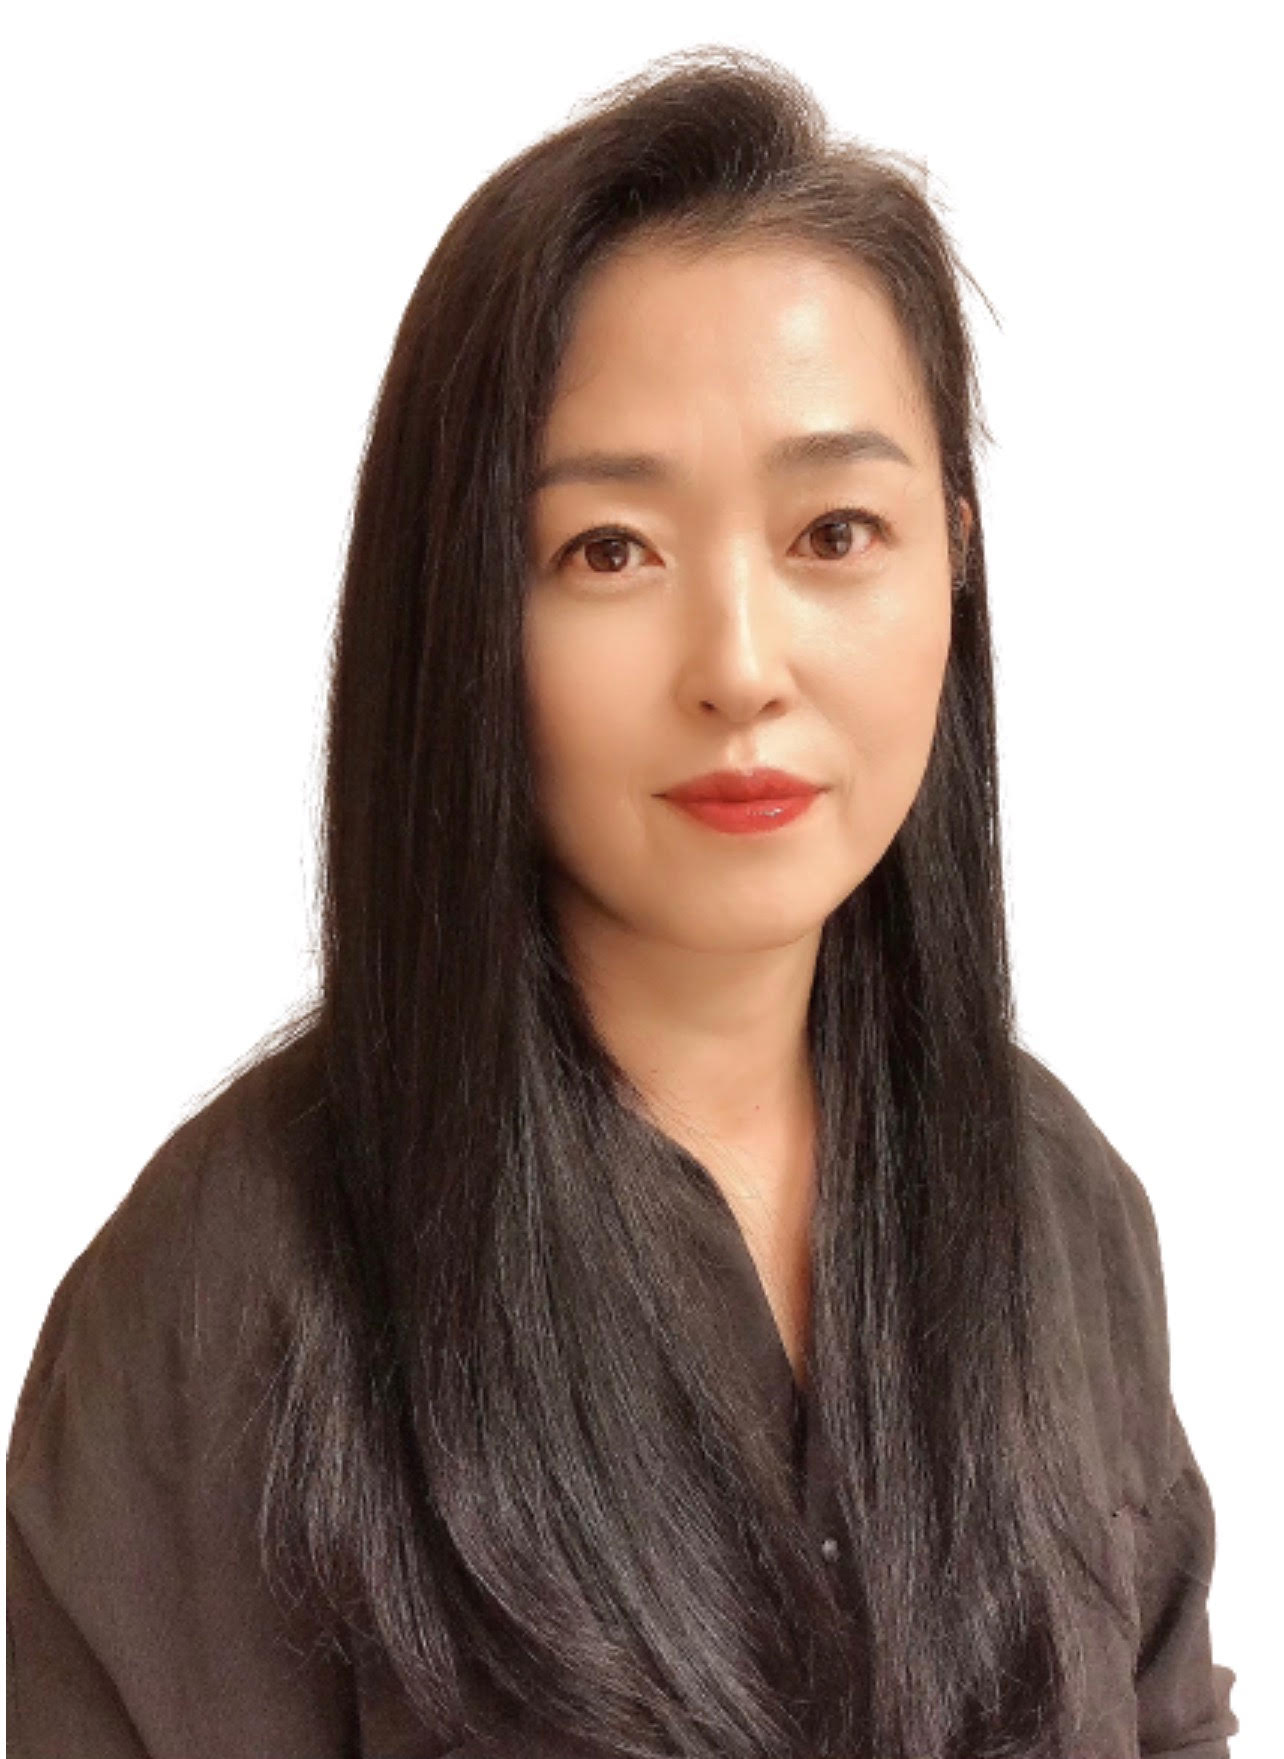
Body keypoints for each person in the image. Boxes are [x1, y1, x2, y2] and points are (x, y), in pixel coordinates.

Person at [6, 44, 1238, 1759]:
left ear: (954, 559)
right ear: (465, 608)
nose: (739, 664)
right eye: (610, 551)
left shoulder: (1059, 1206)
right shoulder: (224, 1308)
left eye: (834, 532)